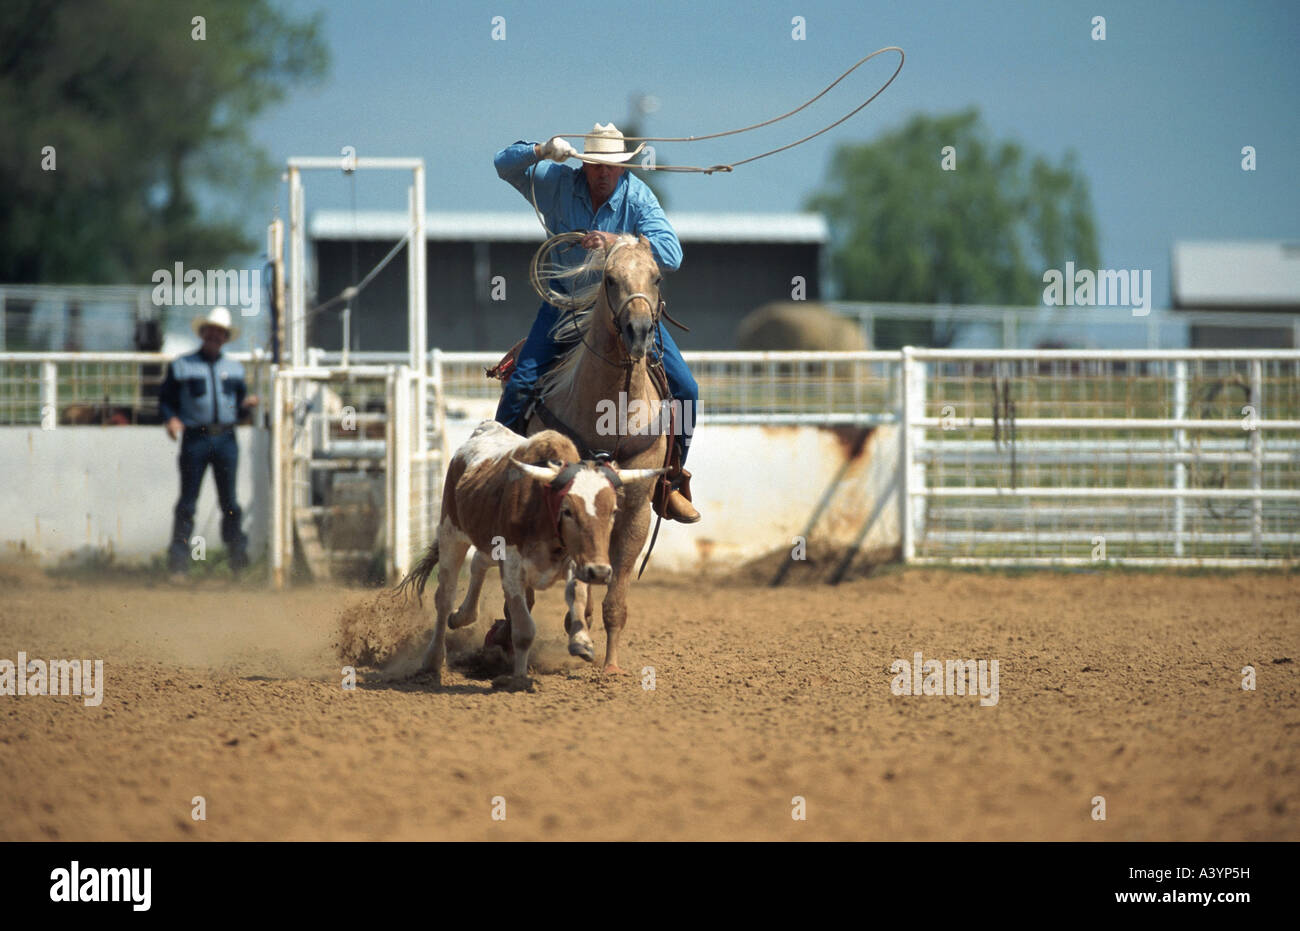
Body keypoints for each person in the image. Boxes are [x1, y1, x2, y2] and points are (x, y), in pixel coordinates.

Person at [494, 122, 700, 523]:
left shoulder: (638, 198)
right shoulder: (555, 181)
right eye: (595, 164)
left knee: (686, 390)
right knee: (520, 382)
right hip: (565, 307)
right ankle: (505, 479)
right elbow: (503, 165)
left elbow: (671, 255)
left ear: (623, 168)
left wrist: (618, 242)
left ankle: (670, 481)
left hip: (624, 307)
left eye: (611, 166)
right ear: (583, 164)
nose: (603, 172)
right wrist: (539, 150)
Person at [158, 307, 258, 575]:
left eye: (220, 332)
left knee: (230, 503)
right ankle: (178, 564)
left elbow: (239, 407)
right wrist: (171, 419)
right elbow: (166, 400)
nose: (215, 335)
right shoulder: (182, 365)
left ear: (225, 337)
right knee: (188, 503)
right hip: (195, 439)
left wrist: (246, 406)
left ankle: (238, 561)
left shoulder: (234, 369)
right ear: (203, 333)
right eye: (211, 330)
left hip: (226, 438)